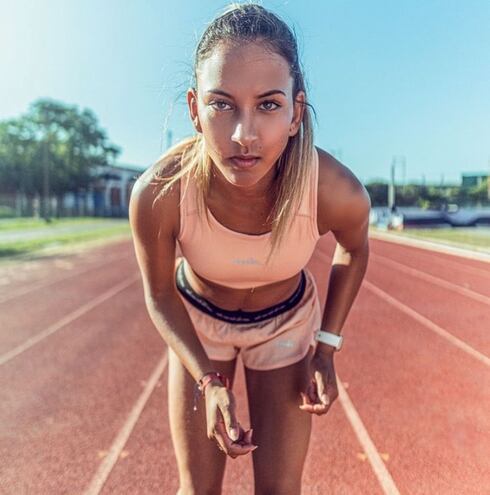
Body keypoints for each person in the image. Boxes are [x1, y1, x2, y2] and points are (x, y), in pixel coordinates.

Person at [129, 3, 370, 494]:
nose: (245, 135)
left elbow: (355, 249)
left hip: (284, 324)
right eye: (222, 104)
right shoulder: (161, 192)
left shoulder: (333, 190)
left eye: (268, 105)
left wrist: (326, 347)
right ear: (195, 109)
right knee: (197, 490)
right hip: (199, 324)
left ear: (295, 113)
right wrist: (208, 381)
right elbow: (158, 295)